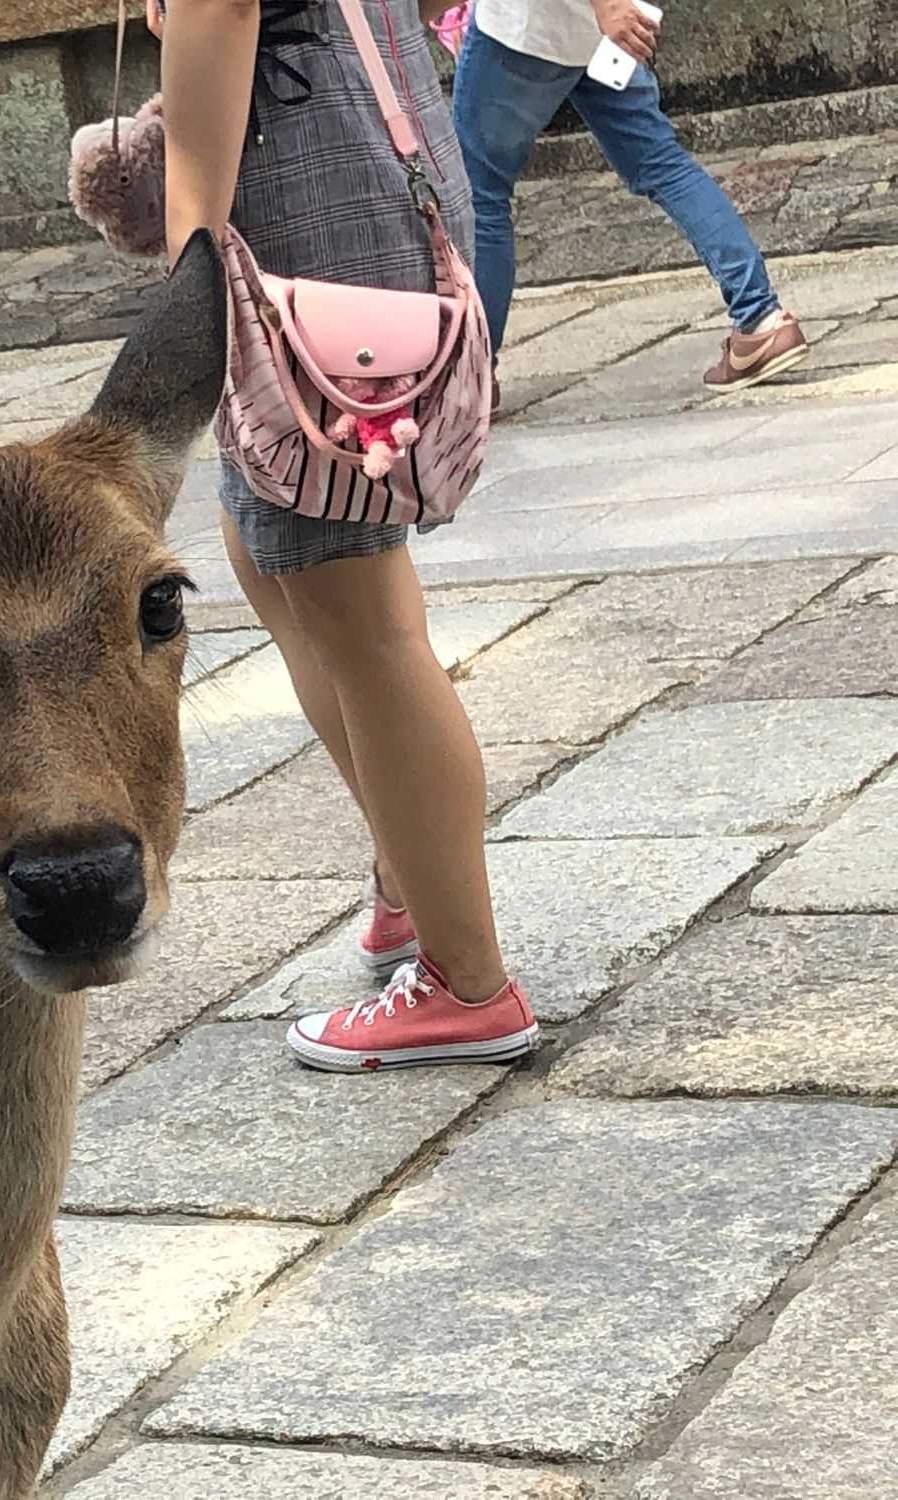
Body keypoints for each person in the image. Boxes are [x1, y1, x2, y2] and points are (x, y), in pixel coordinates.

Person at [152, 0, 537, 1071]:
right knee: (265, 551)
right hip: (361, 153)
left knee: (357, 612)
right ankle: (412, 873)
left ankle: (466, 983)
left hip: (306, 206)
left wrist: (187, 254)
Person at [449, 0, 810, 393]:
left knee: (479, 194)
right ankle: (761, 319)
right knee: (661, 162)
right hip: (603, 32)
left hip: (531, 29)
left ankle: (474, 381)